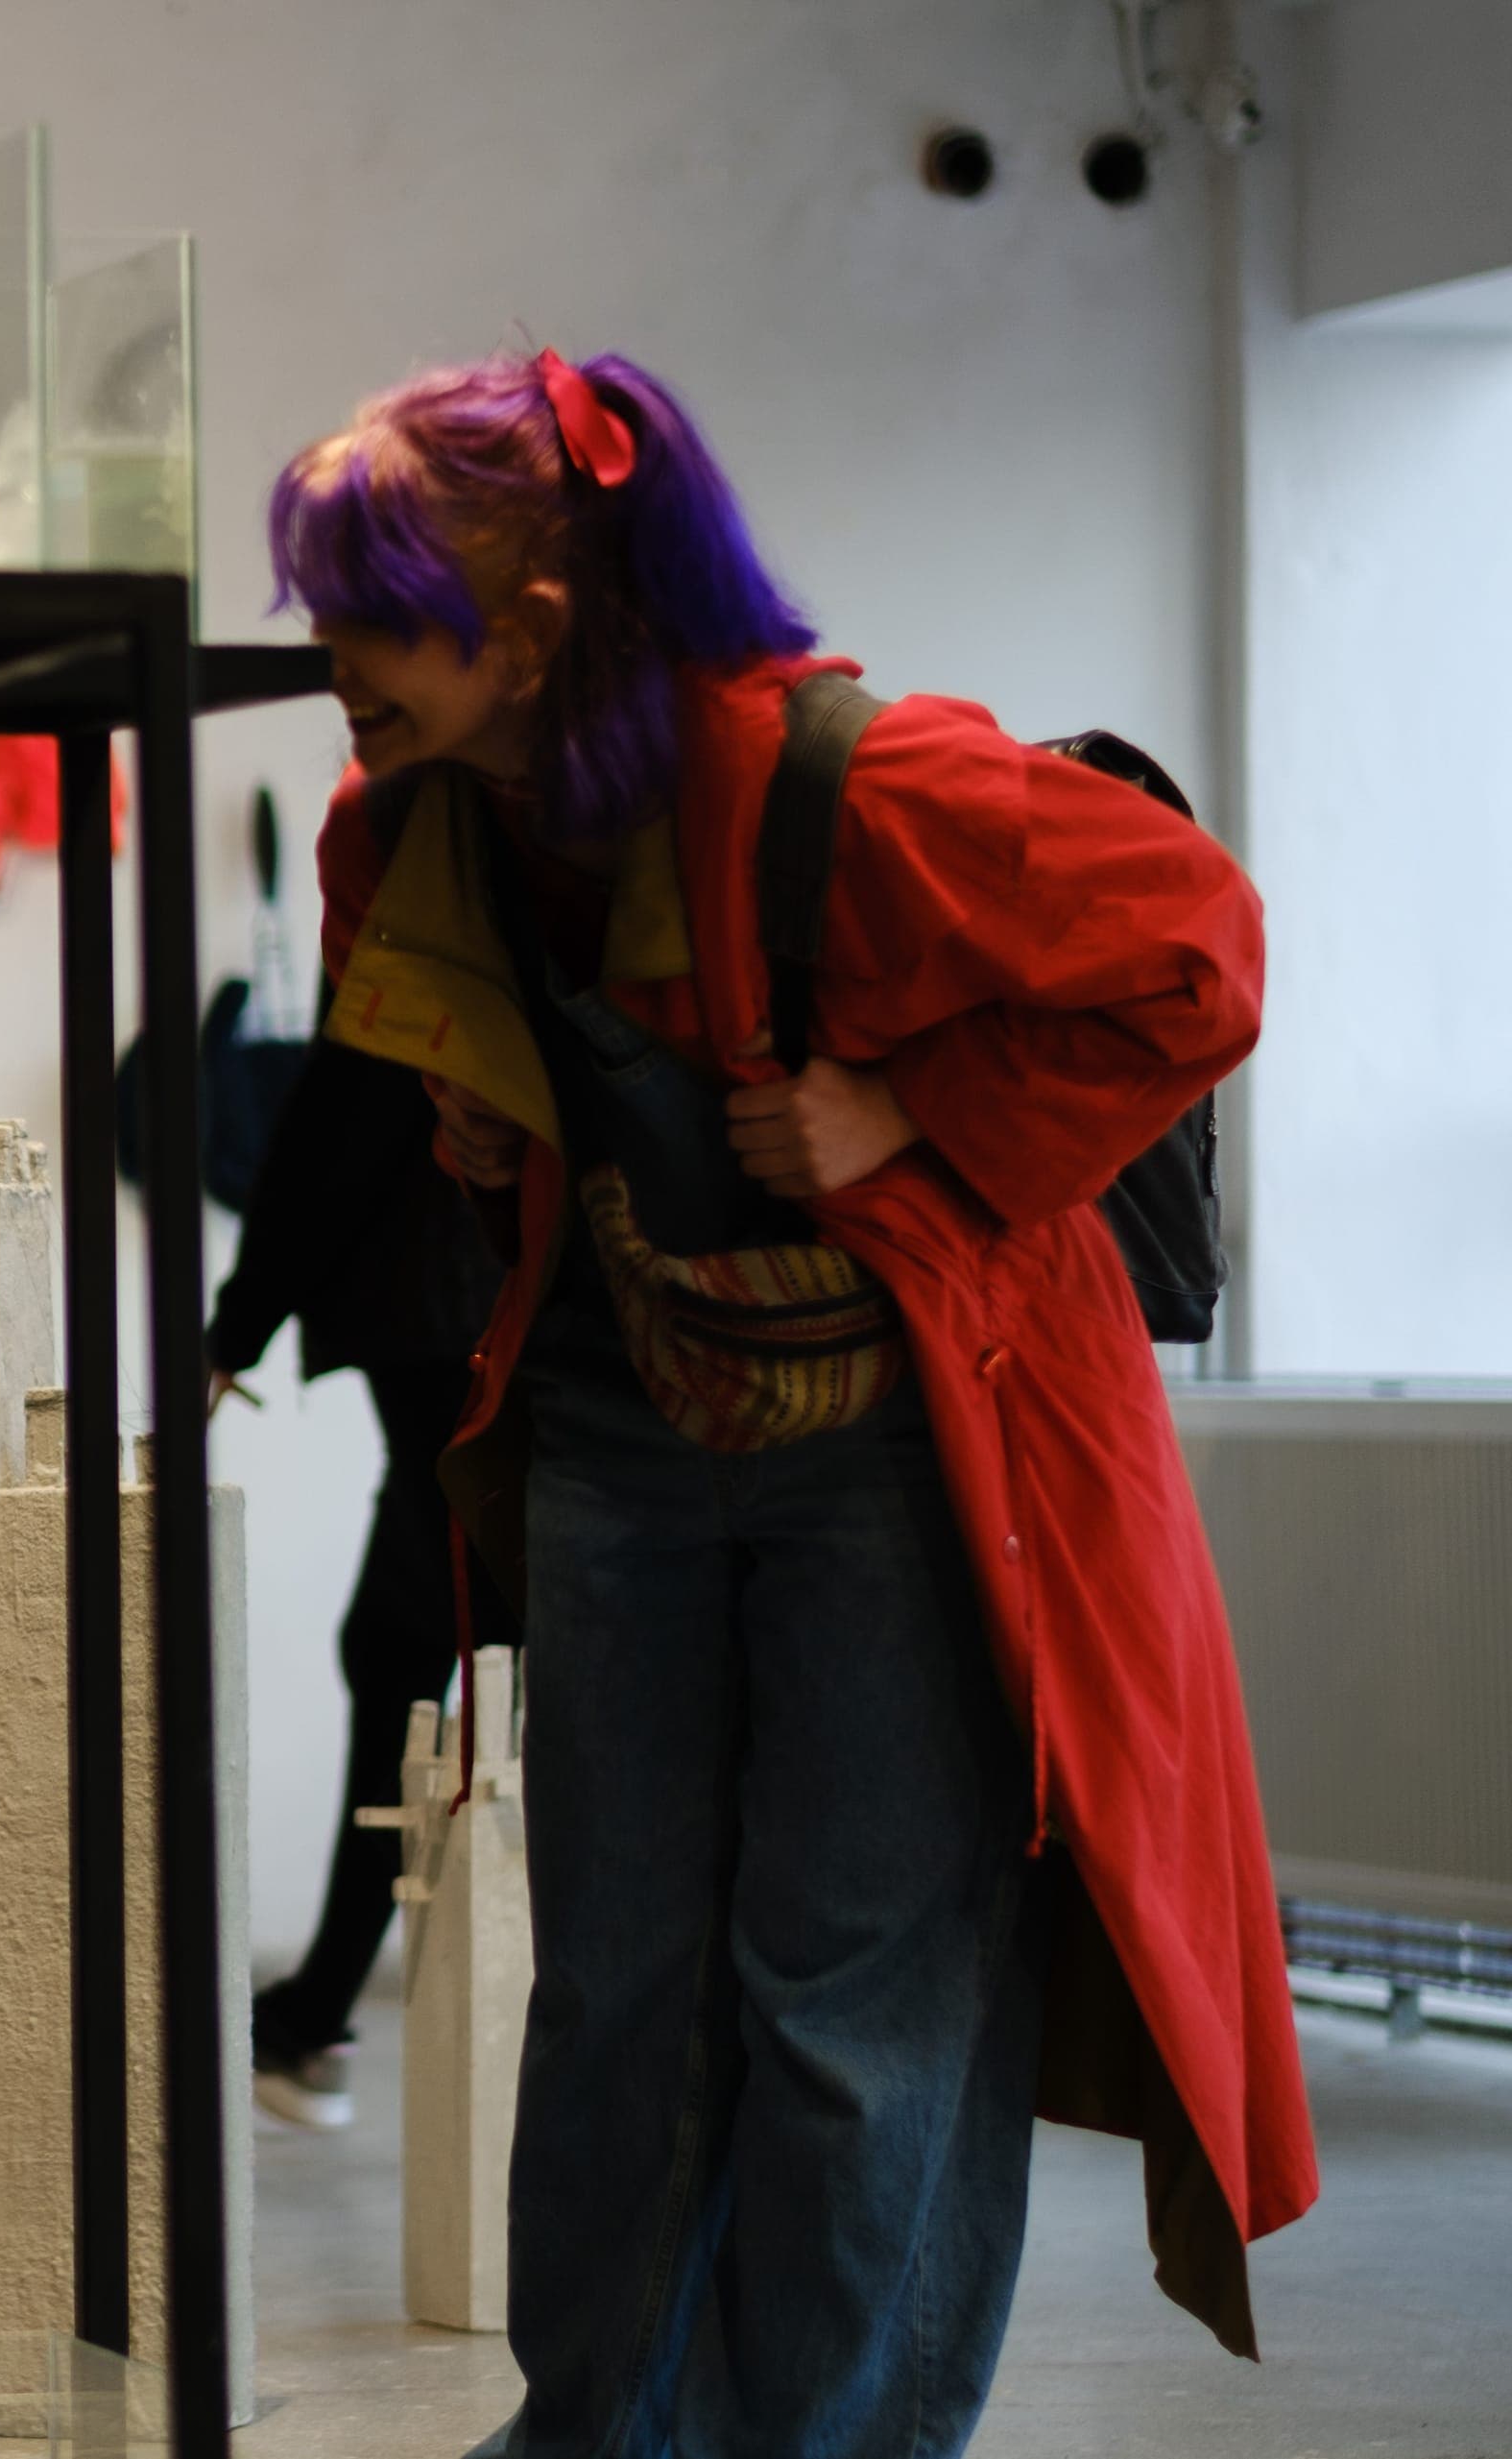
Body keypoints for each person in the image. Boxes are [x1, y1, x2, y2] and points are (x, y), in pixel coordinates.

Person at [264, 349, 1312, 2457]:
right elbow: (489, 1081)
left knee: (851, 1996)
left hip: (909, 1451)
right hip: (626, 1439)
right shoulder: (408, 831)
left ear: (538, 624)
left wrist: (910, 1104)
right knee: (620, 2001)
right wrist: (500, 1139)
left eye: (370, 602)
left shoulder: (862, 782)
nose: (329, 653)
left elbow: (1199, 946)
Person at [204, 1035, 513, 2129]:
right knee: (417, 1644)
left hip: (454, 1309)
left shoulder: (413, 915)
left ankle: (310, 2020)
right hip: (487, 1306)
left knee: (410, 1645)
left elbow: (332, 1139)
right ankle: (311, 2017)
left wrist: (234, 1330)